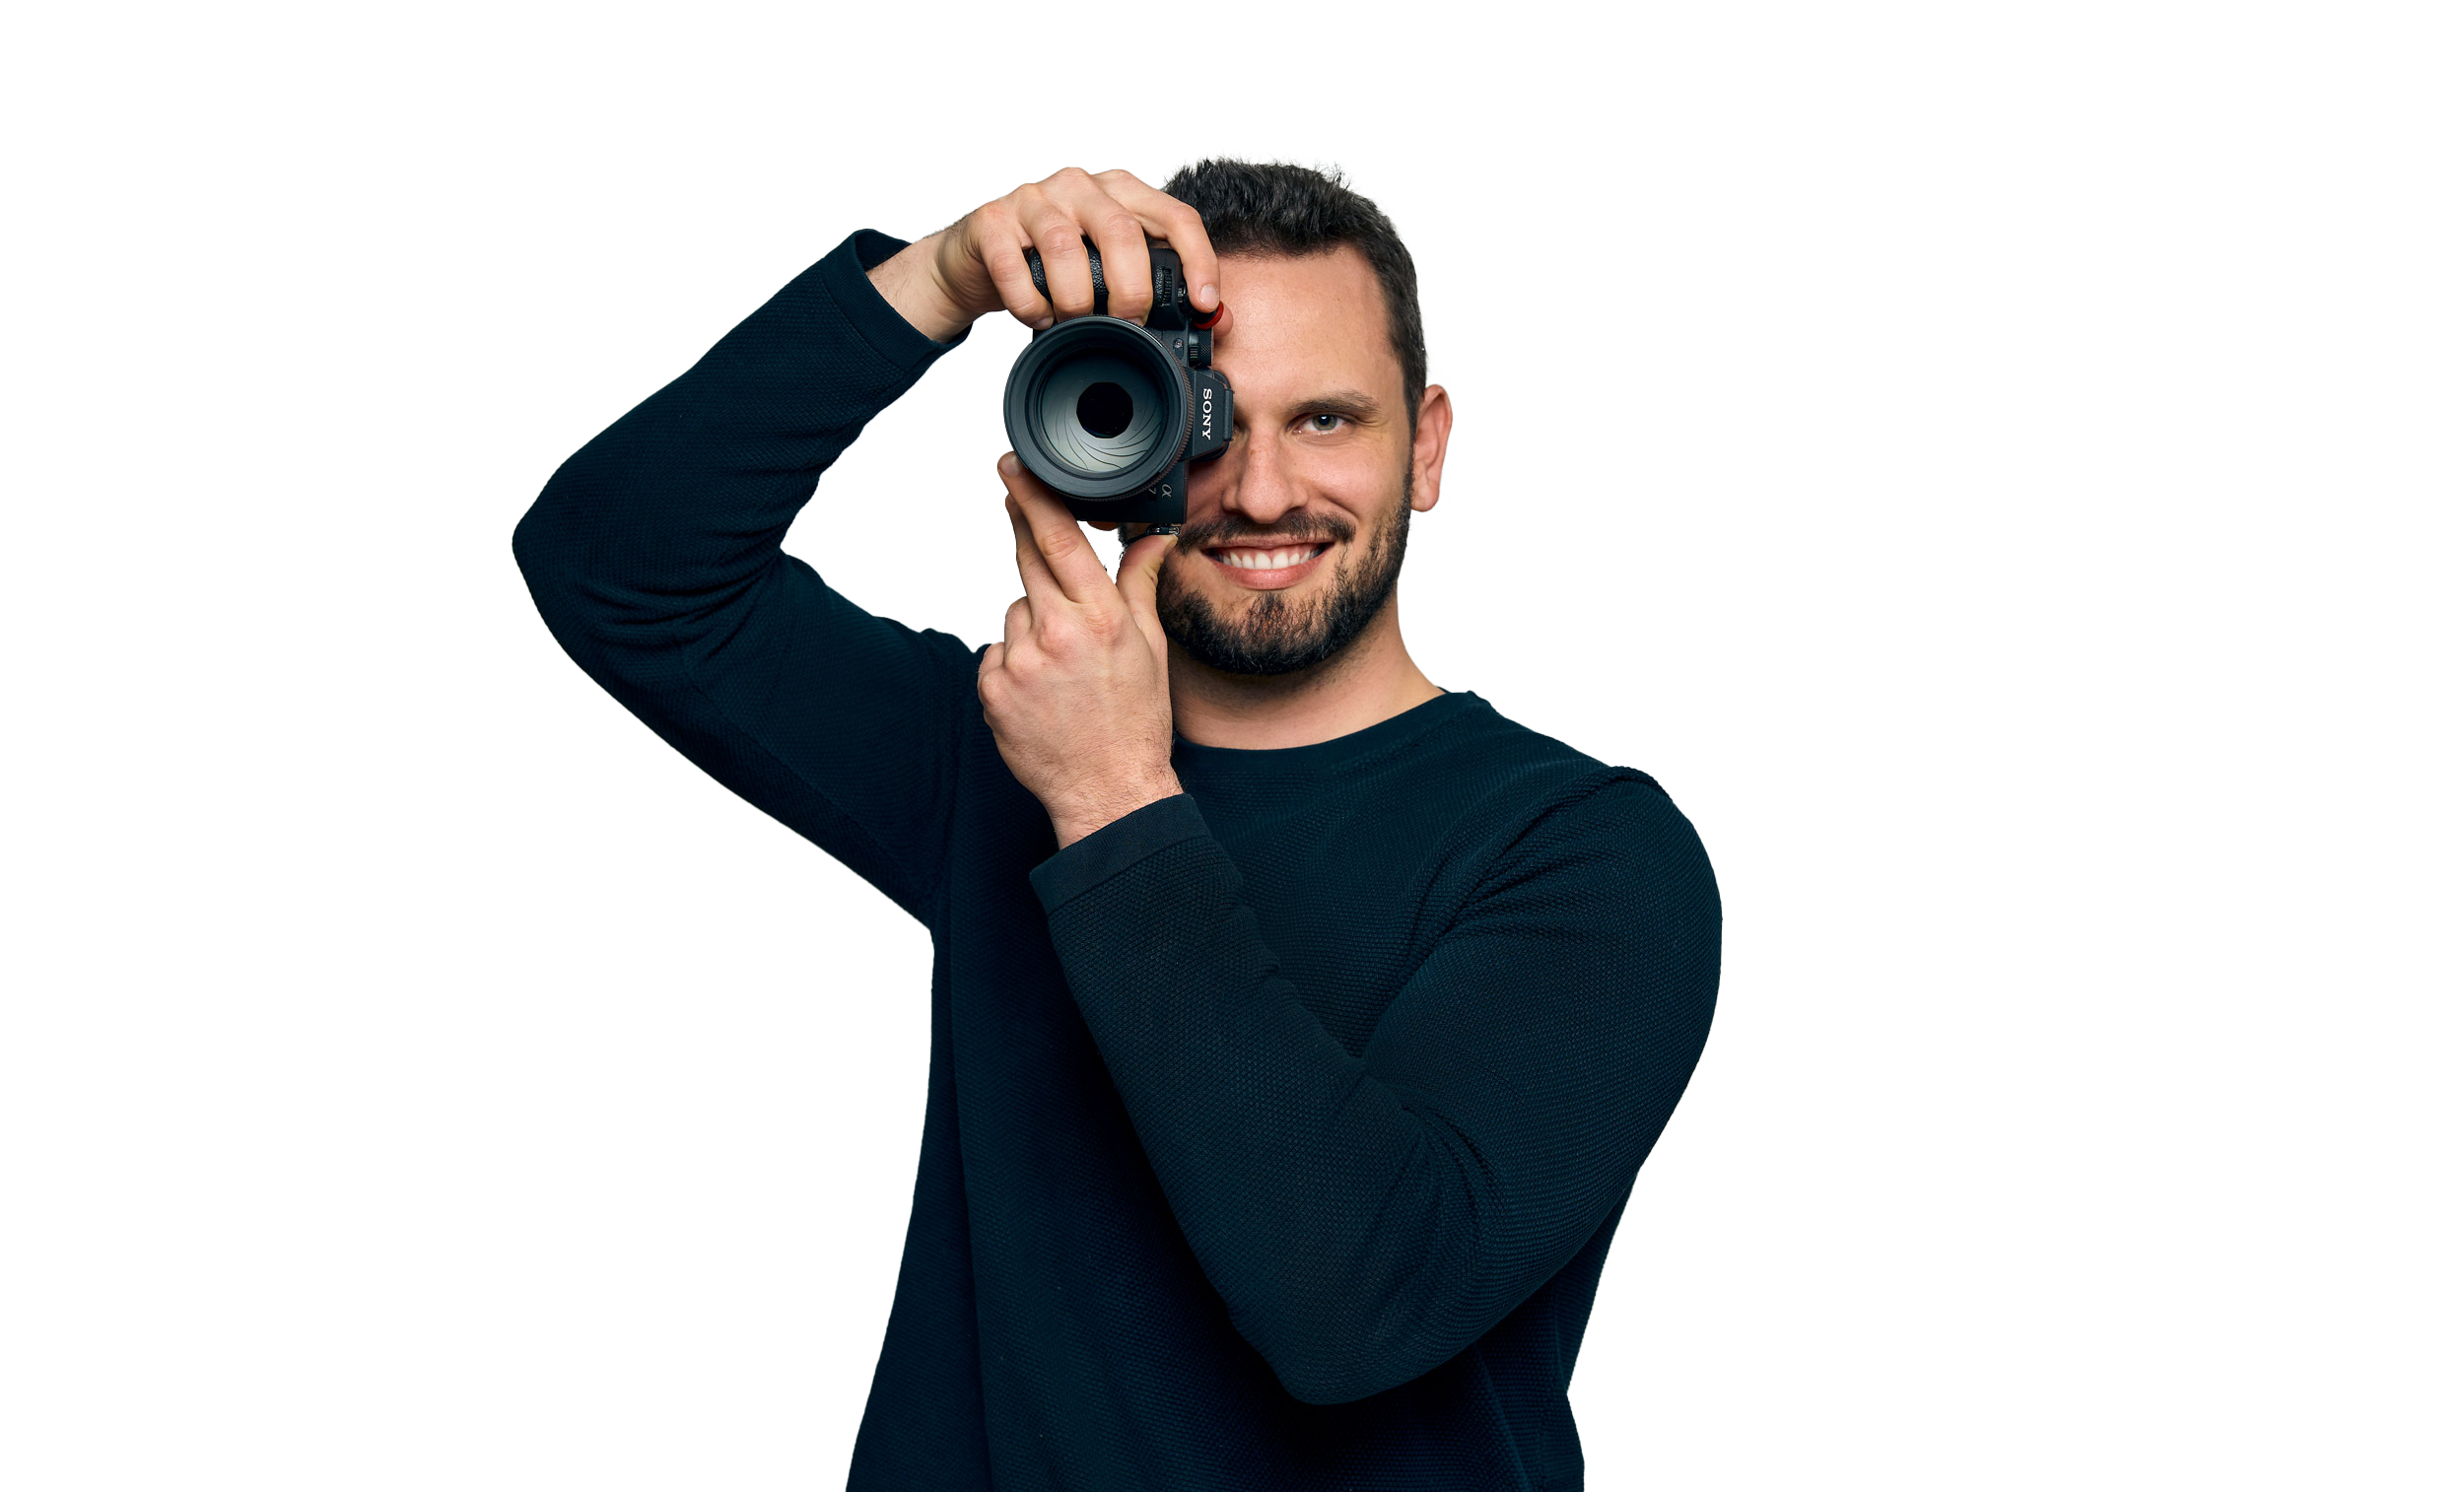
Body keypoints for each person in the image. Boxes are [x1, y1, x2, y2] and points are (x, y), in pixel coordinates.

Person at [513, 159, 1721, 1491]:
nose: (1262, 491)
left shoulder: (1591, 858)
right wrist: (945, 275)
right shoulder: (1000, 752)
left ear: (1424, 446)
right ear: (1111, 426)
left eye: (1326, 418)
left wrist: (1111, 799)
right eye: (1206, 421)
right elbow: (616, 564)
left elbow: (1356, 1304)